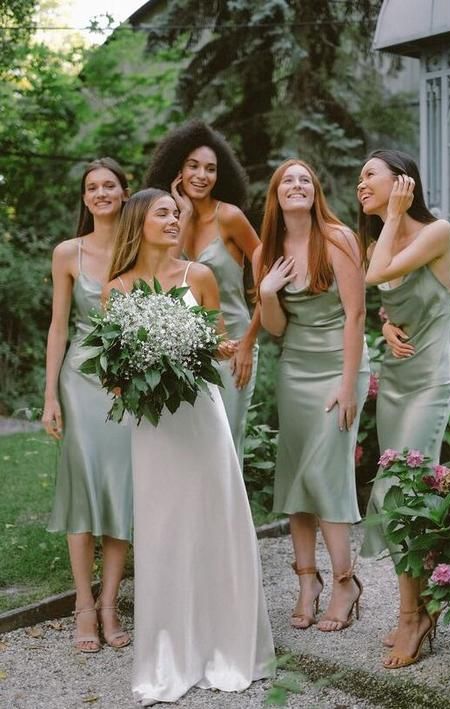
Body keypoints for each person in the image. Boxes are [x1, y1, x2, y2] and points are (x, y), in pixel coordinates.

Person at [104, 188, 274, 705]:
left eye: (177, 214)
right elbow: (113, 370)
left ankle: (226, 640)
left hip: (201, 414)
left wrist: (216, 348)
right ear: (139, 221)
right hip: (153, 426)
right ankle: (169, 647)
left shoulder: (198, 276)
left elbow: (218, 342)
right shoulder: (116, 288)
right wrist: (130, 376)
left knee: (213, 515)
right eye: (164, 213)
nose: (175, 220)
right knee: (163, 524)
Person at [253, 159, 370, 632]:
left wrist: (347, 385)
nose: (296, 186)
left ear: (314, 192)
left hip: (338, 369)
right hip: (295, 369)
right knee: (296, 479)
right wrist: (265, 292)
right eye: (287, 181)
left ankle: (345, 581)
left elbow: (356, 315)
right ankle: (308, 582)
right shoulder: (268, 250)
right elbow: (278, 329)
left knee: (325, 476)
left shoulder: (338, 238)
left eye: (305, 179)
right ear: (277, 196)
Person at [358, 149, 450, 668]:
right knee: (395, 494)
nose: (360, 184)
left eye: (369, 174)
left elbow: (378, 277)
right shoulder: (381, 240)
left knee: (401, 490)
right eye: (358, 178)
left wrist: (395, 214)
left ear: (403, 183)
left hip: (429, 383)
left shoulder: (436, 231)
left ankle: (410, 617)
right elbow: (385, 291)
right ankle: (417, 608)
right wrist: (384, 323)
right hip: (395, 383)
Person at [42, 158, 133, 653]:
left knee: (121, 489)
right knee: (82, 490)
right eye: (92, 188)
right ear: (85, 199)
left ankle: (110, 602)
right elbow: (58, 327)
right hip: (80, 380)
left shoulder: (142, 248)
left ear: (124, 193)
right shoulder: (66, 253)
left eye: (109, 186)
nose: (100, 193)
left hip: (127, 387)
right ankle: (82, 602)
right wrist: (50, 394)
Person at [144, 120, 260, 464]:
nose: (201, 175)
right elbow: (162, 277)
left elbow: (268, 280)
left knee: (225, 446)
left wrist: (249, 344)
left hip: (233, 348)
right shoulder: (164, 220)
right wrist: (186, 214)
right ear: (177, 168)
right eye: (193, 166)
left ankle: (230, 519)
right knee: (188, 453)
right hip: (180, 352)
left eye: (210, 169)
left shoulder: (231, 218)